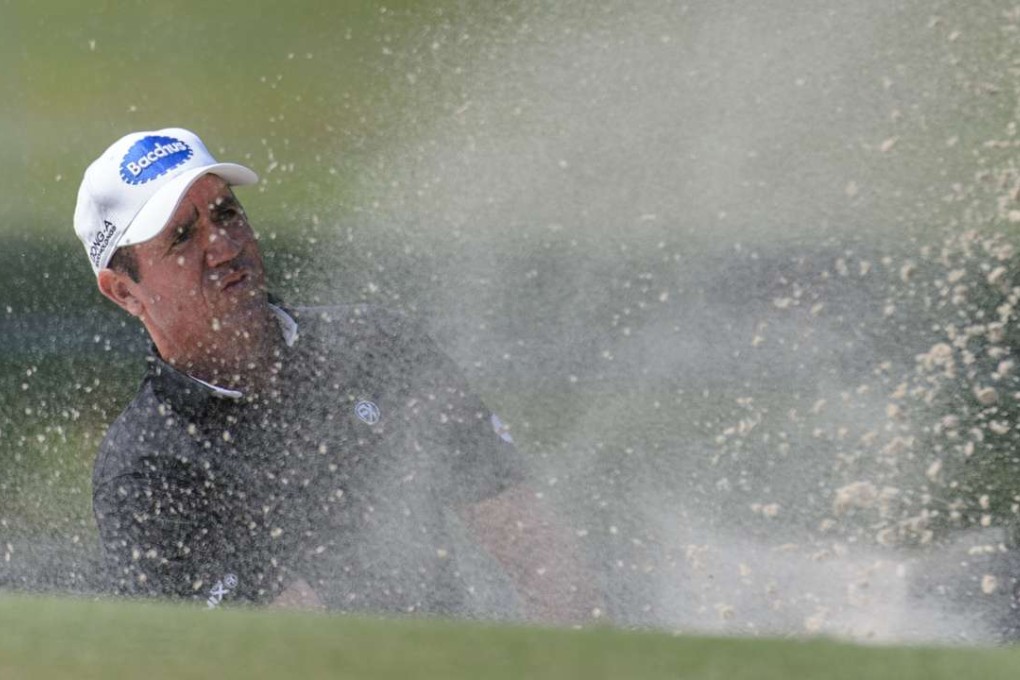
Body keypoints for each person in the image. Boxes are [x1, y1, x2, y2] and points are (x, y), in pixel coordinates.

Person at [74, 128, 593, 620]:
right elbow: (295, 650)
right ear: (124, 291)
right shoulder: (146, 471)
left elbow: (538, 554)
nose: (225, 246)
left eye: (226, 213)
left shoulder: (380, 348)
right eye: (184, 237)